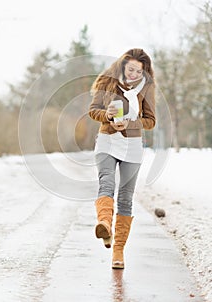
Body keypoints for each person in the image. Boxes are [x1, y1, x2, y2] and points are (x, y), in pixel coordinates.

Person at [88, 48, 156, 269]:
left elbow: (150, 120)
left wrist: (131, 123)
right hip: (107, 140)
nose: (135, 74)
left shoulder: (147, 88)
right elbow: (93, 110)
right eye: (131, 69)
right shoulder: (107, 82)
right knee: (106, 183)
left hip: (133, 146)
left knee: (126, 197)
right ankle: (105, 224)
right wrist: (107, 116)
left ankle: (118, 251)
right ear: (123, 65)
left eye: (139, 71)